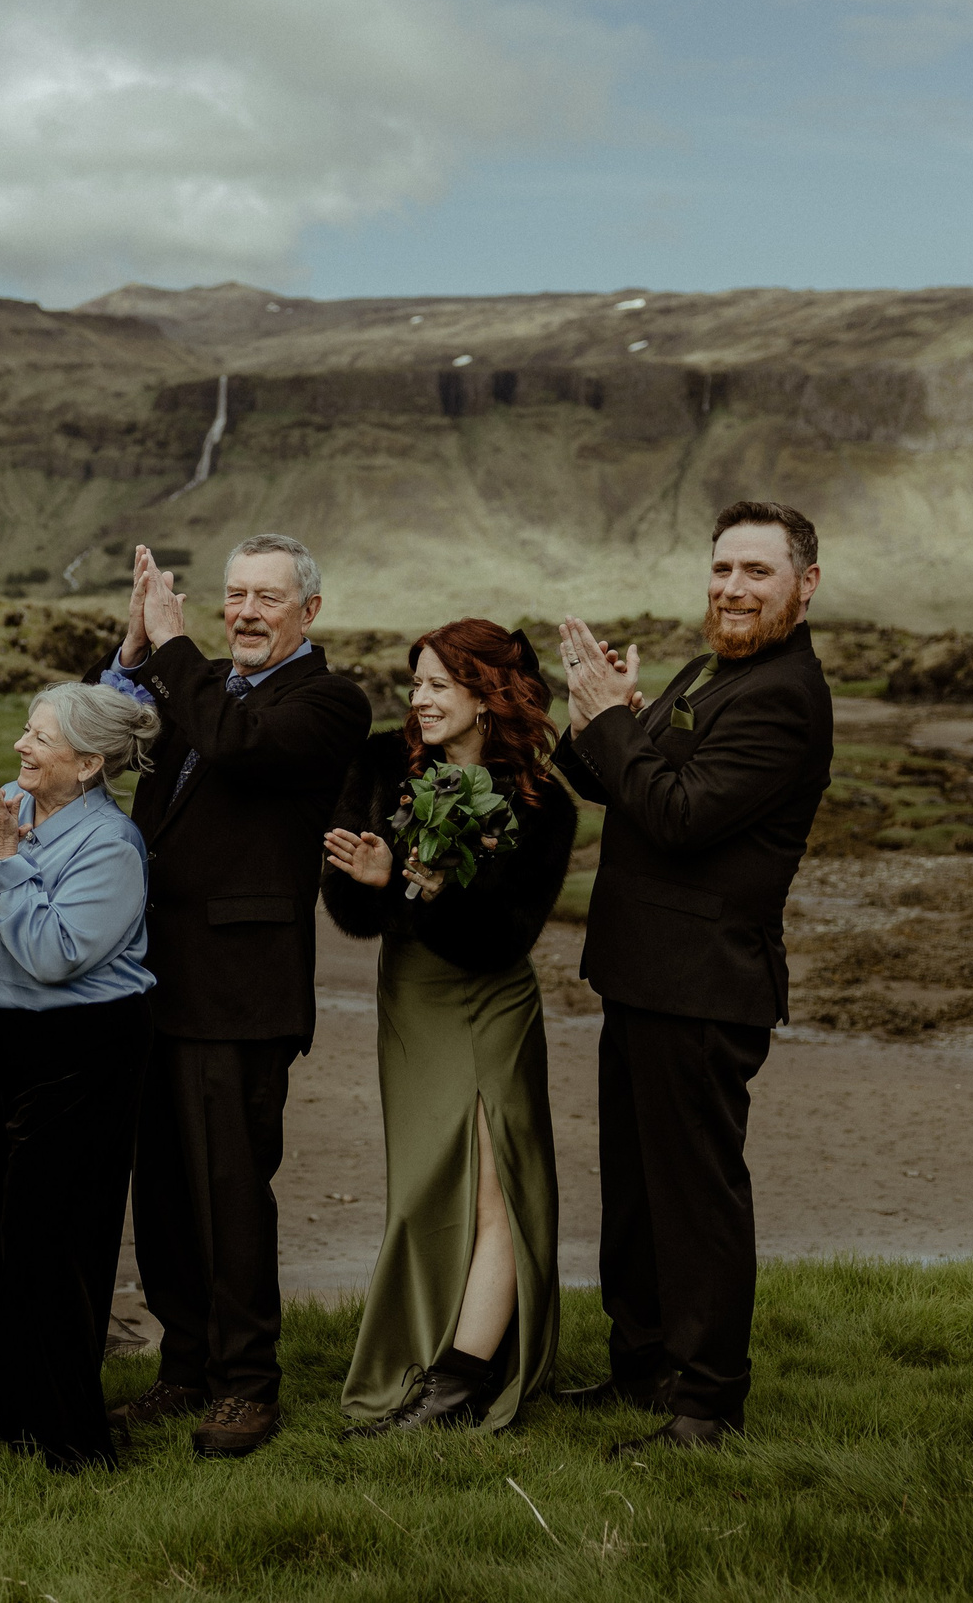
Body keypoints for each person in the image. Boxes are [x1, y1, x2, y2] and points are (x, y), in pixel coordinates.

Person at [551, 501, 833, 1453]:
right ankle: (642, 1367)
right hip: (641, 975)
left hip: (705, 985)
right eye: (722, 569)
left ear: (805, 585)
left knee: (696, 1198)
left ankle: (707, 1405)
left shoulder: (784, 695)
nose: (732, 589)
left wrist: (614, 720)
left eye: (757, 572)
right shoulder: (714, 669)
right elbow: (626, 783)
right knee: (636, 1192)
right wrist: (596, 721)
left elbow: (677, 816)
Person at [97, 536, 370, 1458]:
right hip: (152, 979)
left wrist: (174, 649)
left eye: (268, 598)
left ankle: (248, 1384)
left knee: (230, 1193)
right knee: (164, 1193)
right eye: (235, 595)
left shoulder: (328, 702)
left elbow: (234, 742)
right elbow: (97, 730)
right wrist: (136, 649)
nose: (246, 613)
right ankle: (185, 1367)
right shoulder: (198, 679)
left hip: (243, 991)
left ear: (310, 611)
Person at [321, 621, 575, 1437]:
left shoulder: (542, 805)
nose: (420, 700)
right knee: (424, 1189)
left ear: (486, 696)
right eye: (417, 684)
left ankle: (458, 1384)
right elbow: (350, 910)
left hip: (493, 1002)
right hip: (413, 1001)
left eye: (438, 686)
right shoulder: (381, 766)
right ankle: (432, 1355)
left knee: (495, 1186)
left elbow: (501, 939)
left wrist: (424, 890)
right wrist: (376, 884)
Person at [0, 684, 158, 1471]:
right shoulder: (10, 807)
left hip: (81, 1051)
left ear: (90, 763)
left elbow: (53, 953)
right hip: (3, 1044)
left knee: (55, 1244)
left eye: (40, 738)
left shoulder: (112, 844)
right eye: (25, 731)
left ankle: (74, 1442)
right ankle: (23, 1424)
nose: (20, 748)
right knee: (9, 1240)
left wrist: (2, 861)